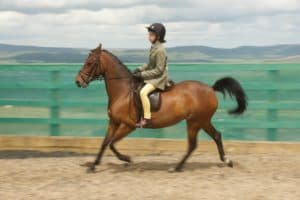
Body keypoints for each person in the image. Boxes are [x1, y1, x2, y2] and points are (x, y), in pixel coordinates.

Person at [133, 23, 169, 128]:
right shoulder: (154, 47)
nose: (149, 37)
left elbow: (158, 70)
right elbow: (150, 64)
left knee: (143, 93)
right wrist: (139, 69)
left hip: (159, 78)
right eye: (149, 34)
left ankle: (147, 118)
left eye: (151, 35)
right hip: (154, 75)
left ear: (158, 37)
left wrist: (142, 75)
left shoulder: (160, 50)